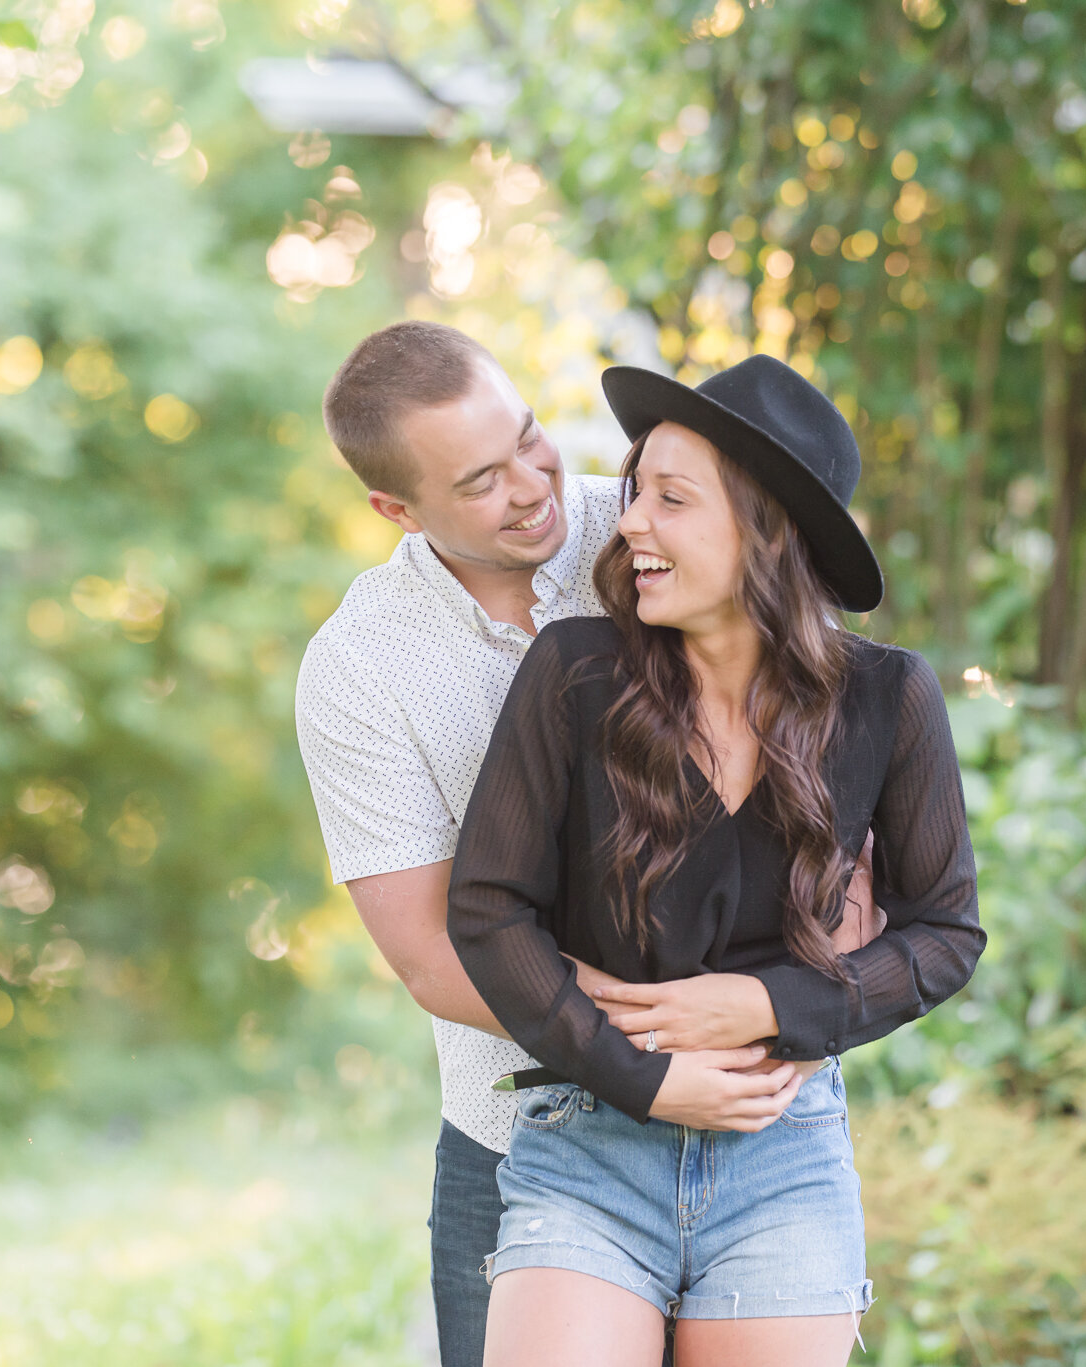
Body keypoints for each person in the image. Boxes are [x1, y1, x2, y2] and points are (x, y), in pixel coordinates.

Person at [295, 323, 881, 1367]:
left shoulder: (657, 523)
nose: (532, 485)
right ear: (396, 509)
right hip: (516, 1129)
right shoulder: (359, 667)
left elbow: (830, 775)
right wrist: (658, 1047)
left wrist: (762, 1017)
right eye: (481, 481)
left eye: (528, 438)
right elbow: (434, 953)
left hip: (755, 1123)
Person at [447, 354, 985, 1366]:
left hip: (780, 1148)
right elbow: (485, 908)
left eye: (670, 498)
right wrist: (640, 1074)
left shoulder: (887, 698)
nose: (629, 522)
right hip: (588, 1141)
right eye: (635, 489)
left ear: (764, 528)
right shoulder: (573, 672)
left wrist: (770, 1008)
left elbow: (945, 933)